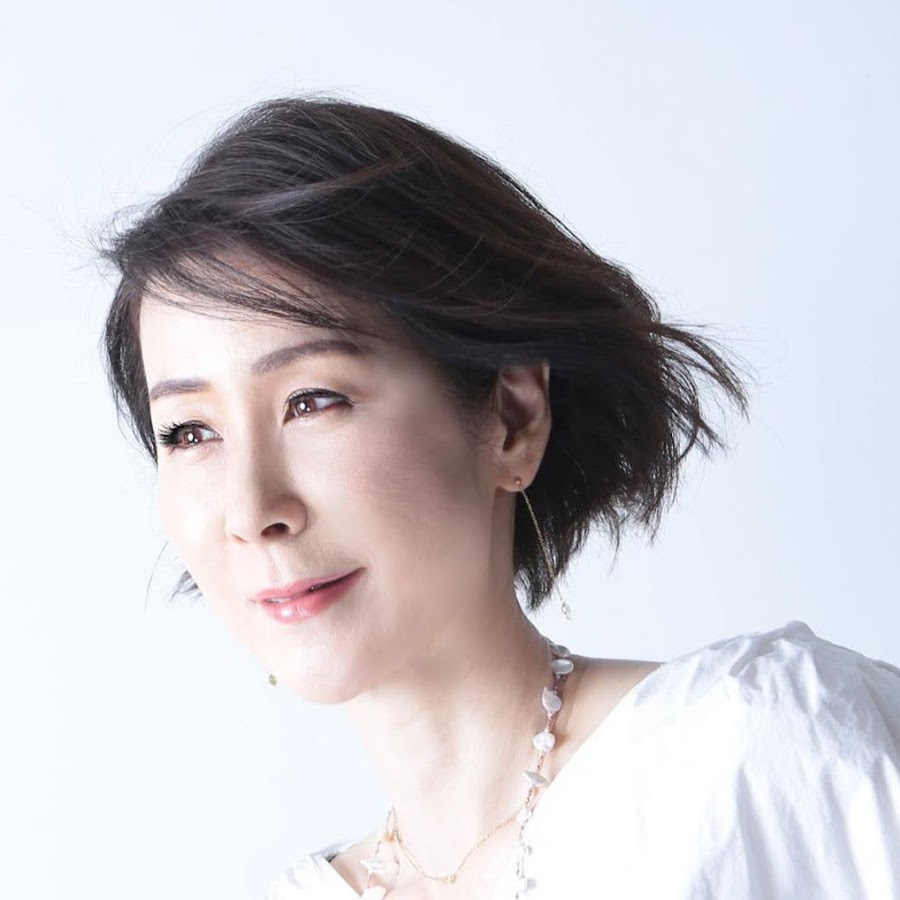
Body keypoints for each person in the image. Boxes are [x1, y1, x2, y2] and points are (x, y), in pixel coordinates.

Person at [97, 96, 900, 899]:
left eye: (313, 401)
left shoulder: (756, 761)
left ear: (513, 419)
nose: (251, 510)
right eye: (189, 432)